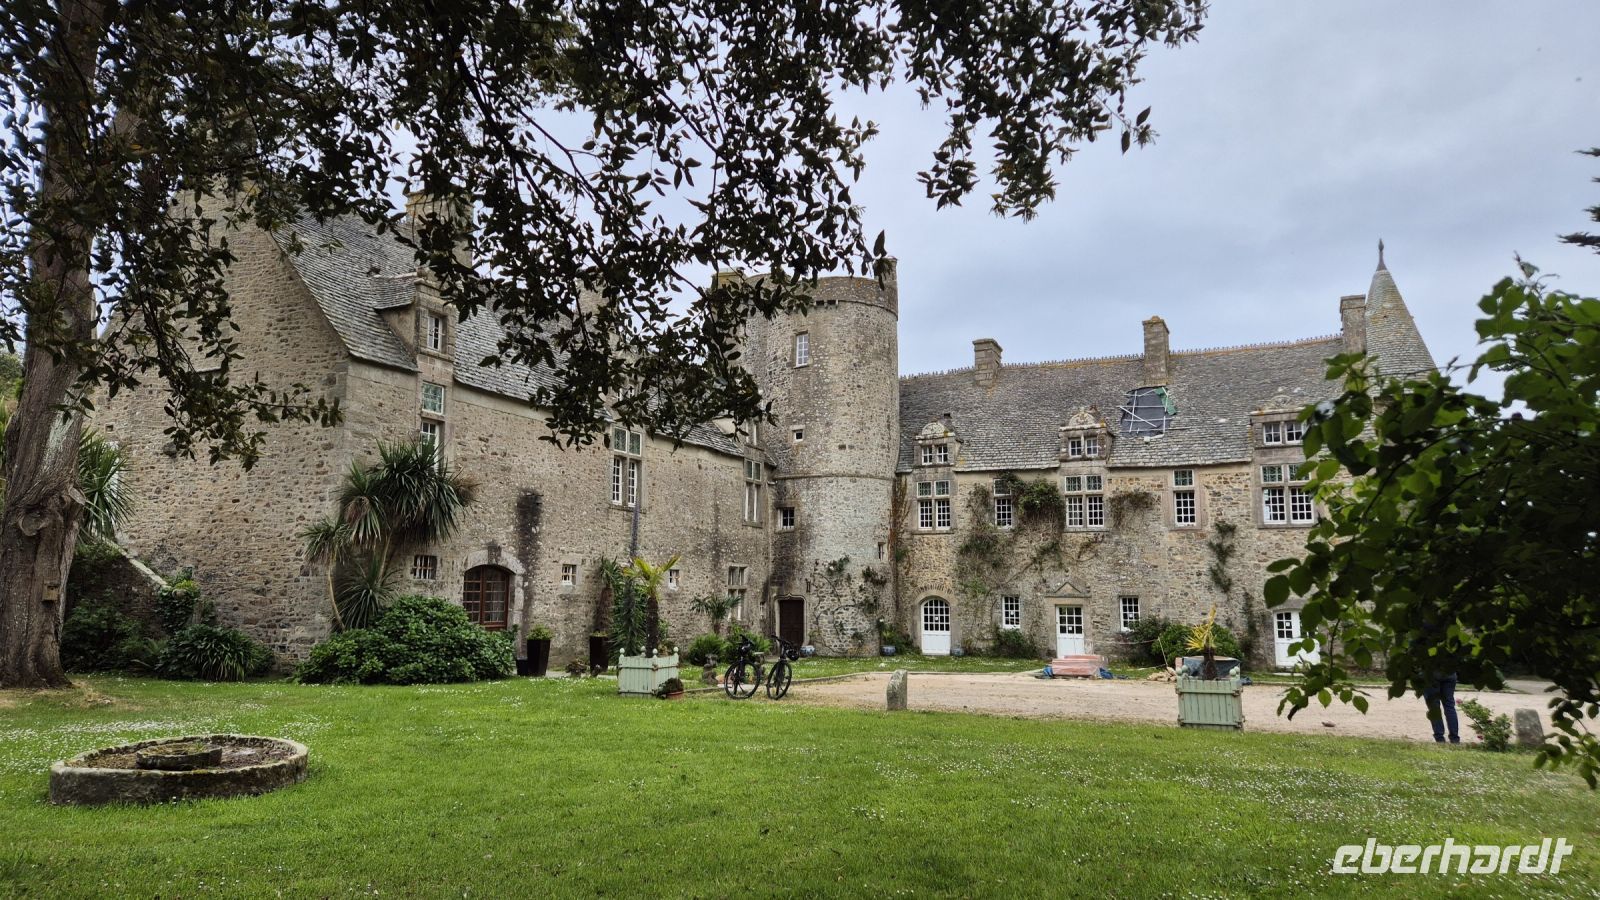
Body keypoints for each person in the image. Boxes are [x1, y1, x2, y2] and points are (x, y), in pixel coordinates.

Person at [1423, 671, 1460, 744]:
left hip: (1431, 673)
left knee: (1434, 707)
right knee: (1449, 706)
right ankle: (1454, 739)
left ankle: (1440, 738)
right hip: (1449, 672)